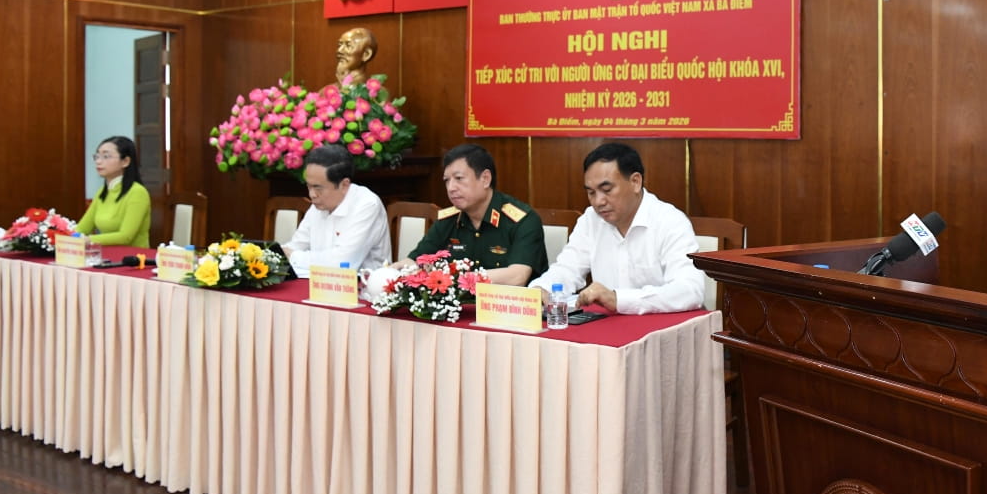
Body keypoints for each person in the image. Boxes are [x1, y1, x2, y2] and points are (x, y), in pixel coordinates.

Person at [531, 142, 704, 314]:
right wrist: (541, 288)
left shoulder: (670, 221)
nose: (598, 201)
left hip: (662, 326)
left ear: (635, 182)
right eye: (591, 192)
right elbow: (567, 269)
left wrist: (619, 299)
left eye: (607, 190)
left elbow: (690, 290)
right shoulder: (591, 220)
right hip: (608, 326)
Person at [406, 143, 548, 285]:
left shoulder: (523, 221)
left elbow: (517, 277)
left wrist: (454, 279)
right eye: (447, 180)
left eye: (459, 178)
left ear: (485, 179)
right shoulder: (448, 220)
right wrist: (402, 271)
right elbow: (413, 261)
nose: (451, 188)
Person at [283, 143, 391, 278]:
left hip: (362, 286)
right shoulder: (318, 204)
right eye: (309, 186)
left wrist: (293, 256)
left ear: (344, 185)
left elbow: (344, 263)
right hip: (318, 282)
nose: (312, 194)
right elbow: (295, 246)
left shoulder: (367, 204)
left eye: (318, 188)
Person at [76, 136, 151, 247]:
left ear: (125, 161)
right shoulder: (102, 192)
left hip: (133, 256)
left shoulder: (137, 192)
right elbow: (82, 228)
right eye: (97, 156)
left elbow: (125, 236)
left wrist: (88, 239)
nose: (98, 161)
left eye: (106, 156)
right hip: (106, 254)